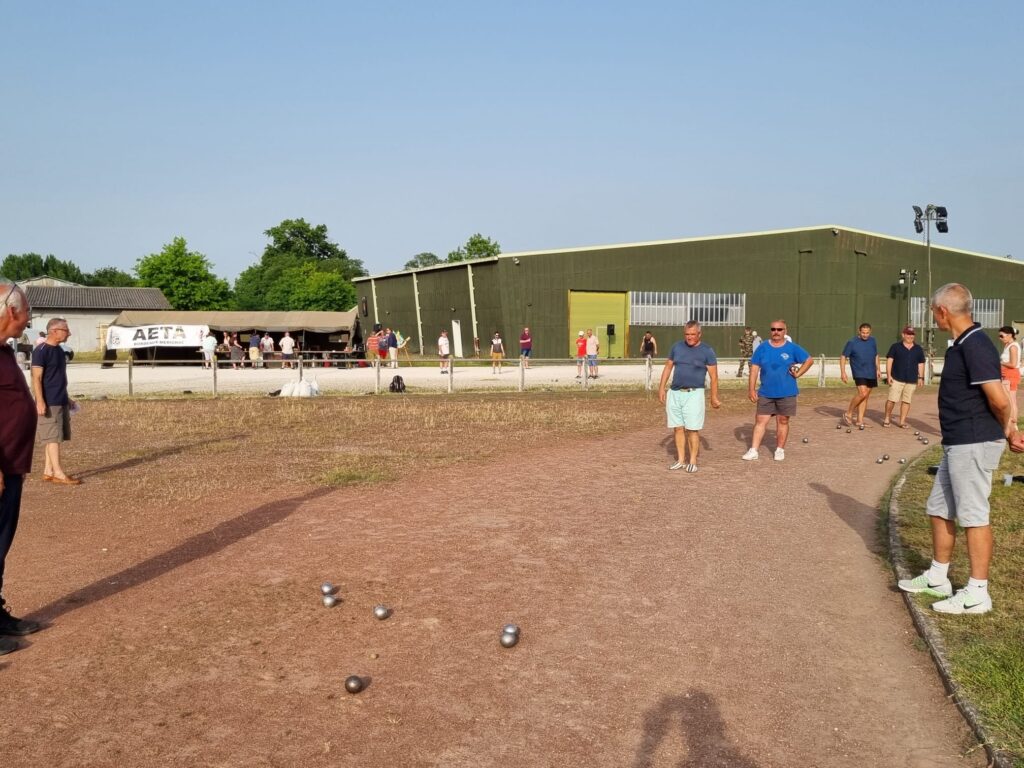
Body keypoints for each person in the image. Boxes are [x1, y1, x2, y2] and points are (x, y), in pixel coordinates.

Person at [898, 284, 1024, 614]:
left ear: (942, 311)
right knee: (939, 508)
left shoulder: (976, 345)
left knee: (973, 515)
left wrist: (1009, 428)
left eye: (933, 313)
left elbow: (999, 398)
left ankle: (978, 593)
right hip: (957, 442)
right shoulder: (961, 344)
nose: (933, 318)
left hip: (974, 441)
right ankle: (939, 577)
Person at [0, 281, 42, 654]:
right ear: (12, 312)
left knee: (1, 543)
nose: (29, 319)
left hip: (11, 465)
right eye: (27, 312)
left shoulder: (4, 352)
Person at [741, 319, 812, 461]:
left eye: (779, 330)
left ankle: (779, 449)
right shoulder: (762, 347)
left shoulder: (792, 348)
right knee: (760, 420)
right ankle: (754, 450)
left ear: (785, 331)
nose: (776, 332)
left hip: (787, 392)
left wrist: (798, 373)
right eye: (773, 329)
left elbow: (809, 360)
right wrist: (751, 389)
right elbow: (754, 369)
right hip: (766, 392)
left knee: (783, 421)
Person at [658, 321, 721, 472]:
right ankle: (681, 460)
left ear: (699, 334)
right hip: (675, 393)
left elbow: (714, 377)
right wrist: (661, 388)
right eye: (687, 334)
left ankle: (692, 460)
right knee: (678, 428)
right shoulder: (676, 347)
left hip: (694, 394)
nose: (689, 337)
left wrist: (714, 397)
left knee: (692, 429)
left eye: (693, 334)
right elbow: (668, 367)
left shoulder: (707, 351)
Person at [31, 316, 81, 485]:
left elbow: (57, 378)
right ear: (54, 331)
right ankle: (58, 473)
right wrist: (40, 401)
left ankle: (48, 470)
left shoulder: (60, 351)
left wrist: (67, 398)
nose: (69, 333)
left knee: (53, 436)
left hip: (60, 399)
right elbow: (36, 378)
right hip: (48, 401)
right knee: (53, 438)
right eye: (66, 330)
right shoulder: (41, 351)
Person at [883, 326, 926, 428]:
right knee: (892, 400)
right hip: (896, 378)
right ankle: (887, 418)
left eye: (912, 334)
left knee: (907, 401)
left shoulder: (918, 349)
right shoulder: (895, 347)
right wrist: (888, 375)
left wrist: (921, 377)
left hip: (911, 380)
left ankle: (902, 422)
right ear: (903, 335)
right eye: (908, 334)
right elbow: (889, 361)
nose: (910, 336)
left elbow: (921, 364)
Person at [839, 322, 880, 428]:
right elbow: (843, 356)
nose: (865, 335)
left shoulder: (873, 341)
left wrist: (878, 369)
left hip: (871, 372)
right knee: (862, 393)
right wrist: (843, 372)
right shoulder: (852, 342)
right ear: (859, 331)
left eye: (867, 333)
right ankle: (848, 413)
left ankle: (860, 421)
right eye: (863, 332)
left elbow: (876, 355)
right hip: (859, 371)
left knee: (865, 397)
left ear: (870, 332)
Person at [998, 326, 1020, 427]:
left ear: (1010, 335)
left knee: (1011, 399)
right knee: (1008, 399)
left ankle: (1014, 423)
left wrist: (1001, 363)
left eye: (1002, 336)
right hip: (1006, 374)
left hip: (1011, 374)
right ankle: (1010, 422)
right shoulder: (1008, 345)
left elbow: (1013, 364)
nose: (1000, 338)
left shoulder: (1013, 347)